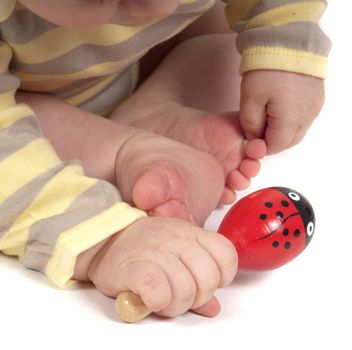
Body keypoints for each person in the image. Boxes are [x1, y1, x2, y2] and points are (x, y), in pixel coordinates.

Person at [0, 0, 331, 318]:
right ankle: (120, 147)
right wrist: (105, 241)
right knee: (21, 142)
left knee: (227, 44)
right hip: (30, 105)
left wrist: (285, 44)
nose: (150, 7)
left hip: (144, 56)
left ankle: (156, 106)